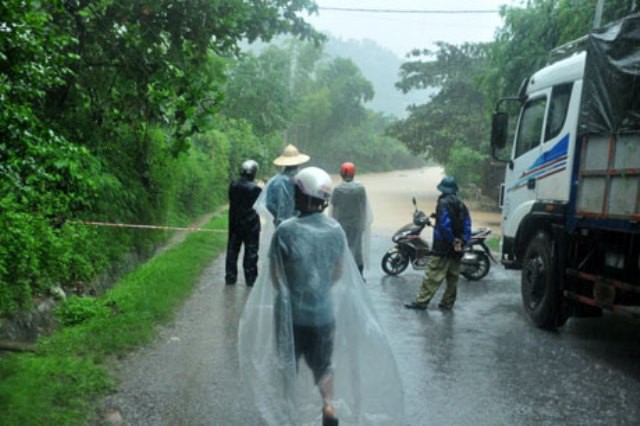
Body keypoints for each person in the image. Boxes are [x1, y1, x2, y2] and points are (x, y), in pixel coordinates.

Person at [238, 167, 405, 426]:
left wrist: (294, 290)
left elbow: (275, 275)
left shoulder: (286, 231)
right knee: (324, 366)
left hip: (291, 315)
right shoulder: (335, 230)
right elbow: (339, 271)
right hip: (323, 315)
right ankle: (328, 406)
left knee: (287, 364)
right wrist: (319, 290)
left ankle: (288, 412)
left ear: (302, 196)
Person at [405, 176, 471, 310]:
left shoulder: (442, 203)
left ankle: (421, 302)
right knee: (453, 278)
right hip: (458, 247)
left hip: (443, 246)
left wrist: (451, 239)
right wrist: (462, 241)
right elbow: (467, 224)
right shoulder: (461, 204)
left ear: (443, 189)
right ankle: (447, 303)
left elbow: (445, 225)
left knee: (432, 275)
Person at [329, 162, 372, 275]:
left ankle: (342, 275)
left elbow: (333, 209)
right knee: (357, 250)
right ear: (354, 174)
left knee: (342, 249)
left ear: (341, 174)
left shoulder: (337, 190)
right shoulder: (360, 189)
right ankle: (359, 275)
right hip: (357, 224)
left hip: (341, 225)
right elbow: (363, 207)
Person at [225, 160, 262, 286]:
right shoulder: (256, 188)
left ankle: (230, 276)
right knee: (251, 251)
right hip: (251, 224)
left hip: (235, 222)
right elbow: (259, 206)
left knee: (232, 250)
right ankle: (250, 278)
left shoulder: (233, 185)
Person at [265, 144, 310, 226]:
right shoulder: (303, 179)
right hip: (300, 223)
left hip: (280, 224)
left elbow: (269, 204)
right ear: (298, 163)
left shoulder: (275, 181)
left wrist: (278, 214)